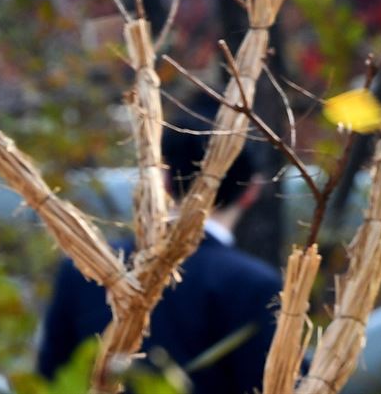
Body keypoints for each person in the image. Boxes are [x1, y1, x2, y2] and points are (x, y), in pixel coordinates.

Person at [37, 96, 282, 394]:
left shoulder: (84, 269)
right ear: (252, 190)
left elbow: (51, 381)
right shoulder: (254, 285)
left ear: (164, 180)